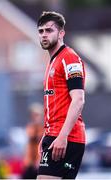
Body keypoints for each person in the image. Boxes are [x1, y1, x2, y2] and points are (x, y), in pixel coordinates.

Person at [36, 11, 86, 179]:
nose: (44, 35)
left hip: (66, 138)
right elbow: (55, 107)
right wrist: (45, 137)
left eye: (49, 30)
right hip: (53, 136)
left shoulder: (69, 58)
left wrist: (62, 136)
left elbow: (78, 100)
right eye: (41, 31)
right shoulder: (53, 61)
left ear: (61, 33)